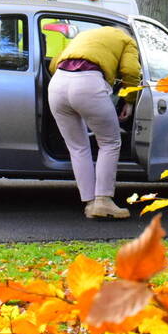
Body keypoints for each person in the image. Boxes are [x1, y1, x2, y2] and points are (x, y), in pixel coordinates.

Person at [48, 26, 142, 219]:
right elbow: (131, 71)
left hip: (57, 85)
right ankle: (103, 201)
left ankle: (90, 203)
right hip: (88, 83)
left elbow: (53, 64)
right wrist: (129, 101)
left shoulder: (84, 36)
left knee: (77, 147)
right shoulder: (127, 41)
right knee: (110, 142)